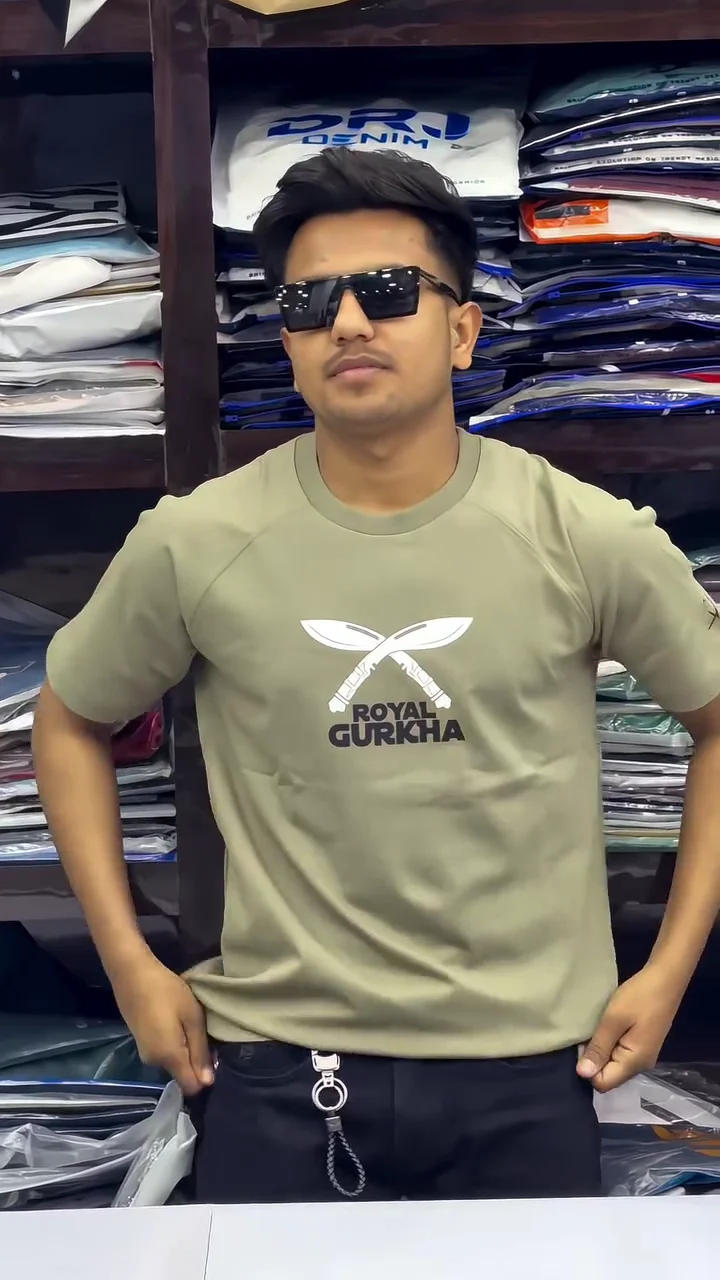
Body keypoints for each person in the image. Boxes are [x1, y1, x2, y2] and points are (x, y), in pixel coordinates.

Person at [33, 147, 720, 1204]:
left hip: (531, 1072)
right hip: (277, 1072)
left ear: (463, 329)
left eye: (389, 290)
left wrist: (669, 969)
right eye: (310, 302)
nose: (348, 321)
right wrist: (129, 960)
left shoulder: (582, 533)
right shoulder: (197, 539)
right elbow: (68, 718)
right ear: (289, 343)